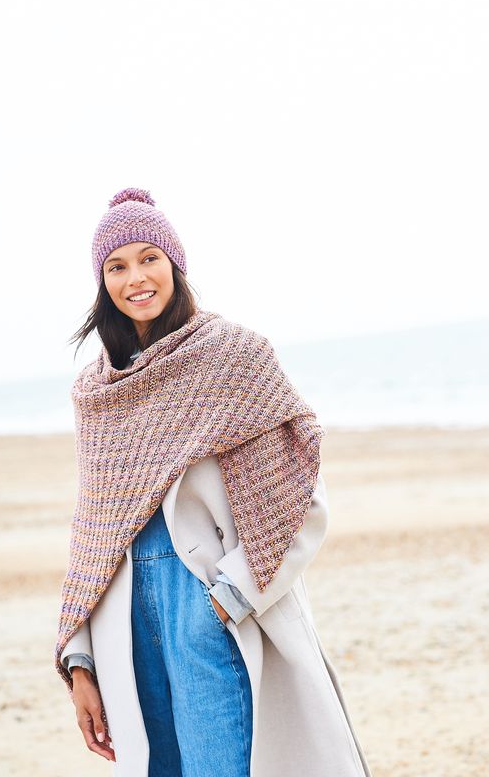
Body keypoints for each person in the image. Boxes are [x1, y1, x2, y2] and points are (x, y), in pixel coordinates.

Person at [54, 187, 373, 777]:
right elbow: (93, 528)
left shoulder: (233, 356)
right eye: (117, 267)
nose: (137, 278)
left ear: (176, 263)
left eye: (150, 257)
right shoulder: (96, 389)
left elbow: (298, 498)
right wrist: (80, 660)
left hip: (208, 603)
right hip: (124, 622)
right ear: (103, 284)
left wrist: (227, 599)